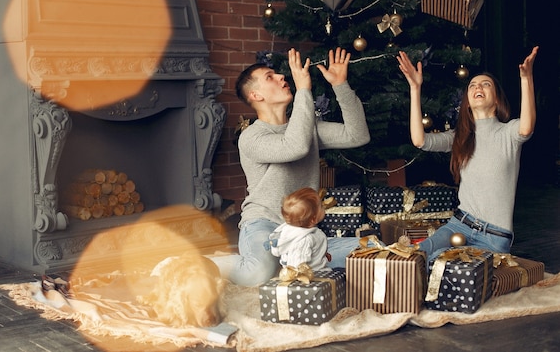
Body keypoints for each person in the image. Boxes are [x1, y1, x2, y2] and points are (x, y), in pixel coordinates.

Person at [211, 47, 370, 286]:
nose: (281, 77)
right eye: (270, 77)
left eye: (278, 74)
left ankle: (286, 262)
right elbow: (294, 147)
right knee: (257, 274)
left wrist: (340, 86)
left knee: (365, 253)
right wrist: (304, 88)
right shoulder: (251, 137)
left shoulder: (307, 127)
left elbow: (357, 135)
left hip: (302, 228)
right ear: (256, 95)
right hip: (263, 223)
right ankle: (202, 263)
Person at [396, 46, 539, 262]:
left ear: (497, 100)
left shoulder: (508, 132)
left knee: (445, 266)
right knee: (415, 258)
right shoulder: (459, 137)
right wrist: (415, 89)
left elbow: (527, 127)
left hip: (493, 237)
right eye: (472, 85)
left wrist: (526, 79)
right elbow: (420, 140)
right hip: (458, 225)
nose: (477, 87)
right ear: (468, 103)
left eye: (485, 84)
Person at [266, 187, 331, 272]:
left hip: (317, 269)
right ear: (313, 219)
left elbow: (312, 249)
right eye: (321, 206)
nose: (324, 207)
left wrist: (322, 254)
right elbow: (297, 264)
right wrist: (302, 278)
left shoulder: (310, 232)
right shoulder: (304, 240)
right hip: (313, 276)